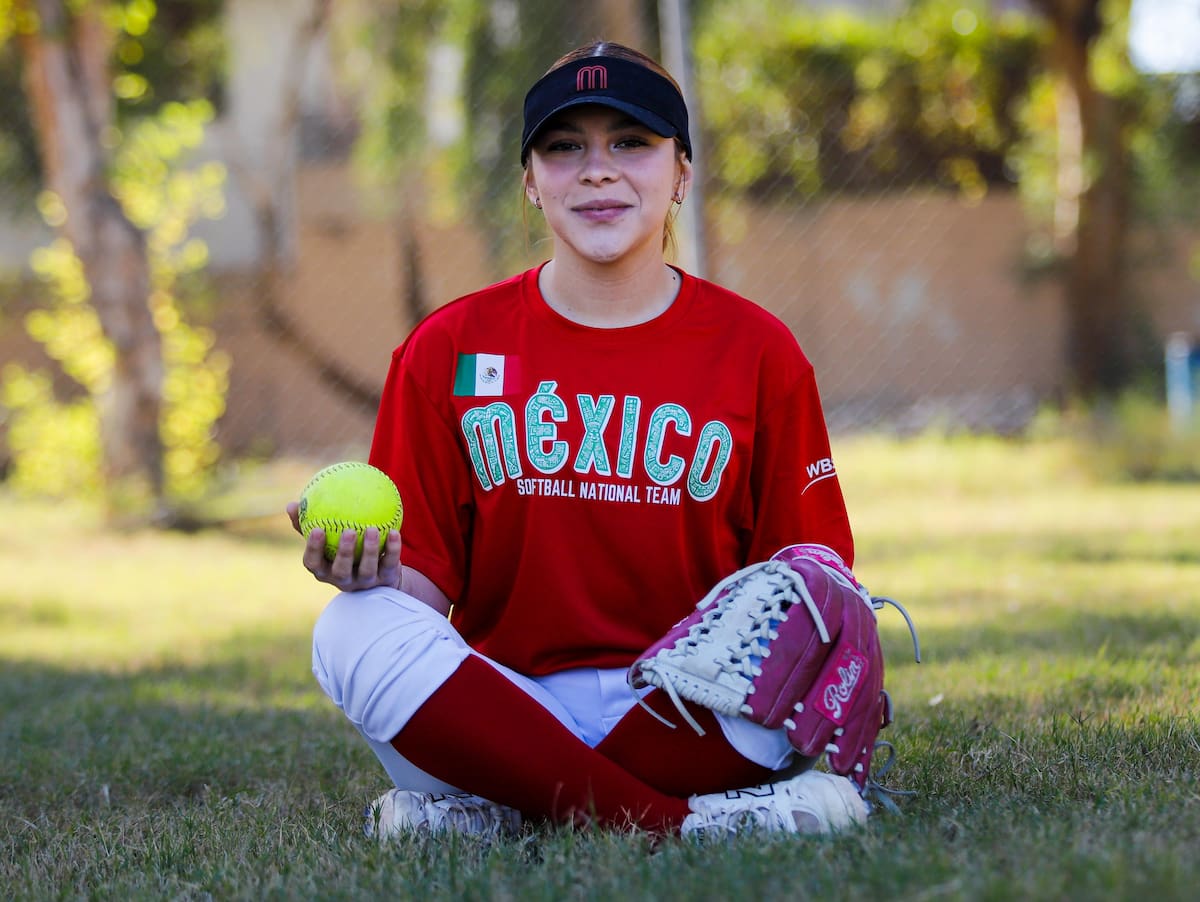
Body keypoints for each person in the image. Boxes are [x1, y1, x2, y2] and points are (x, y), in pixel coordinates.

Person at [289, 40, 871, 840]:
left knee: (820, 621)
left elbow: (805, 577)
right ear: (531, 183)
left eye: (631, 142)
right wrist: (368, 572)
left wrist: (824, 608)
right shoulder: (449, 347)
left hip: (687, 704)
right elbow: (417, 596)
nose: (598, 170)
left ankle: (508, 809)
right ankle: (682, 827)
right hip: (501, 703)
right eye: (565, 148)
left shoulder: (757, 350)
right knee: (349, 627)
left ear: (682, 174)